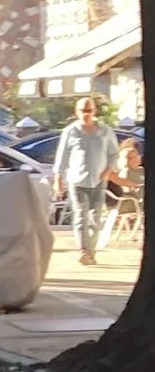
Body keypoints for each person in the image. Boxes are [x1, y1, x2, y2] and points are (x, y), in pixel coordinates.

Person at [53, 97, 126, 264]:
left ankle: (91, 251)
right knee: (80, 216)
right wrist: (58, 178)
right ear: (76, 112)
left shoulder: (105, 131)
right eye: (83, 111)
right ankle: (83, 251)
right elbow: (62, 156)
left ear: (94, 111)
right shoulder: (70, 131)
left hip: (98, 180)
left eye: (89, 110)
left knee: (95, 217)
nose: (86, 114)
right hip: (76, 180)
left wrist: (108, 171)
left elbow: (114, 154)